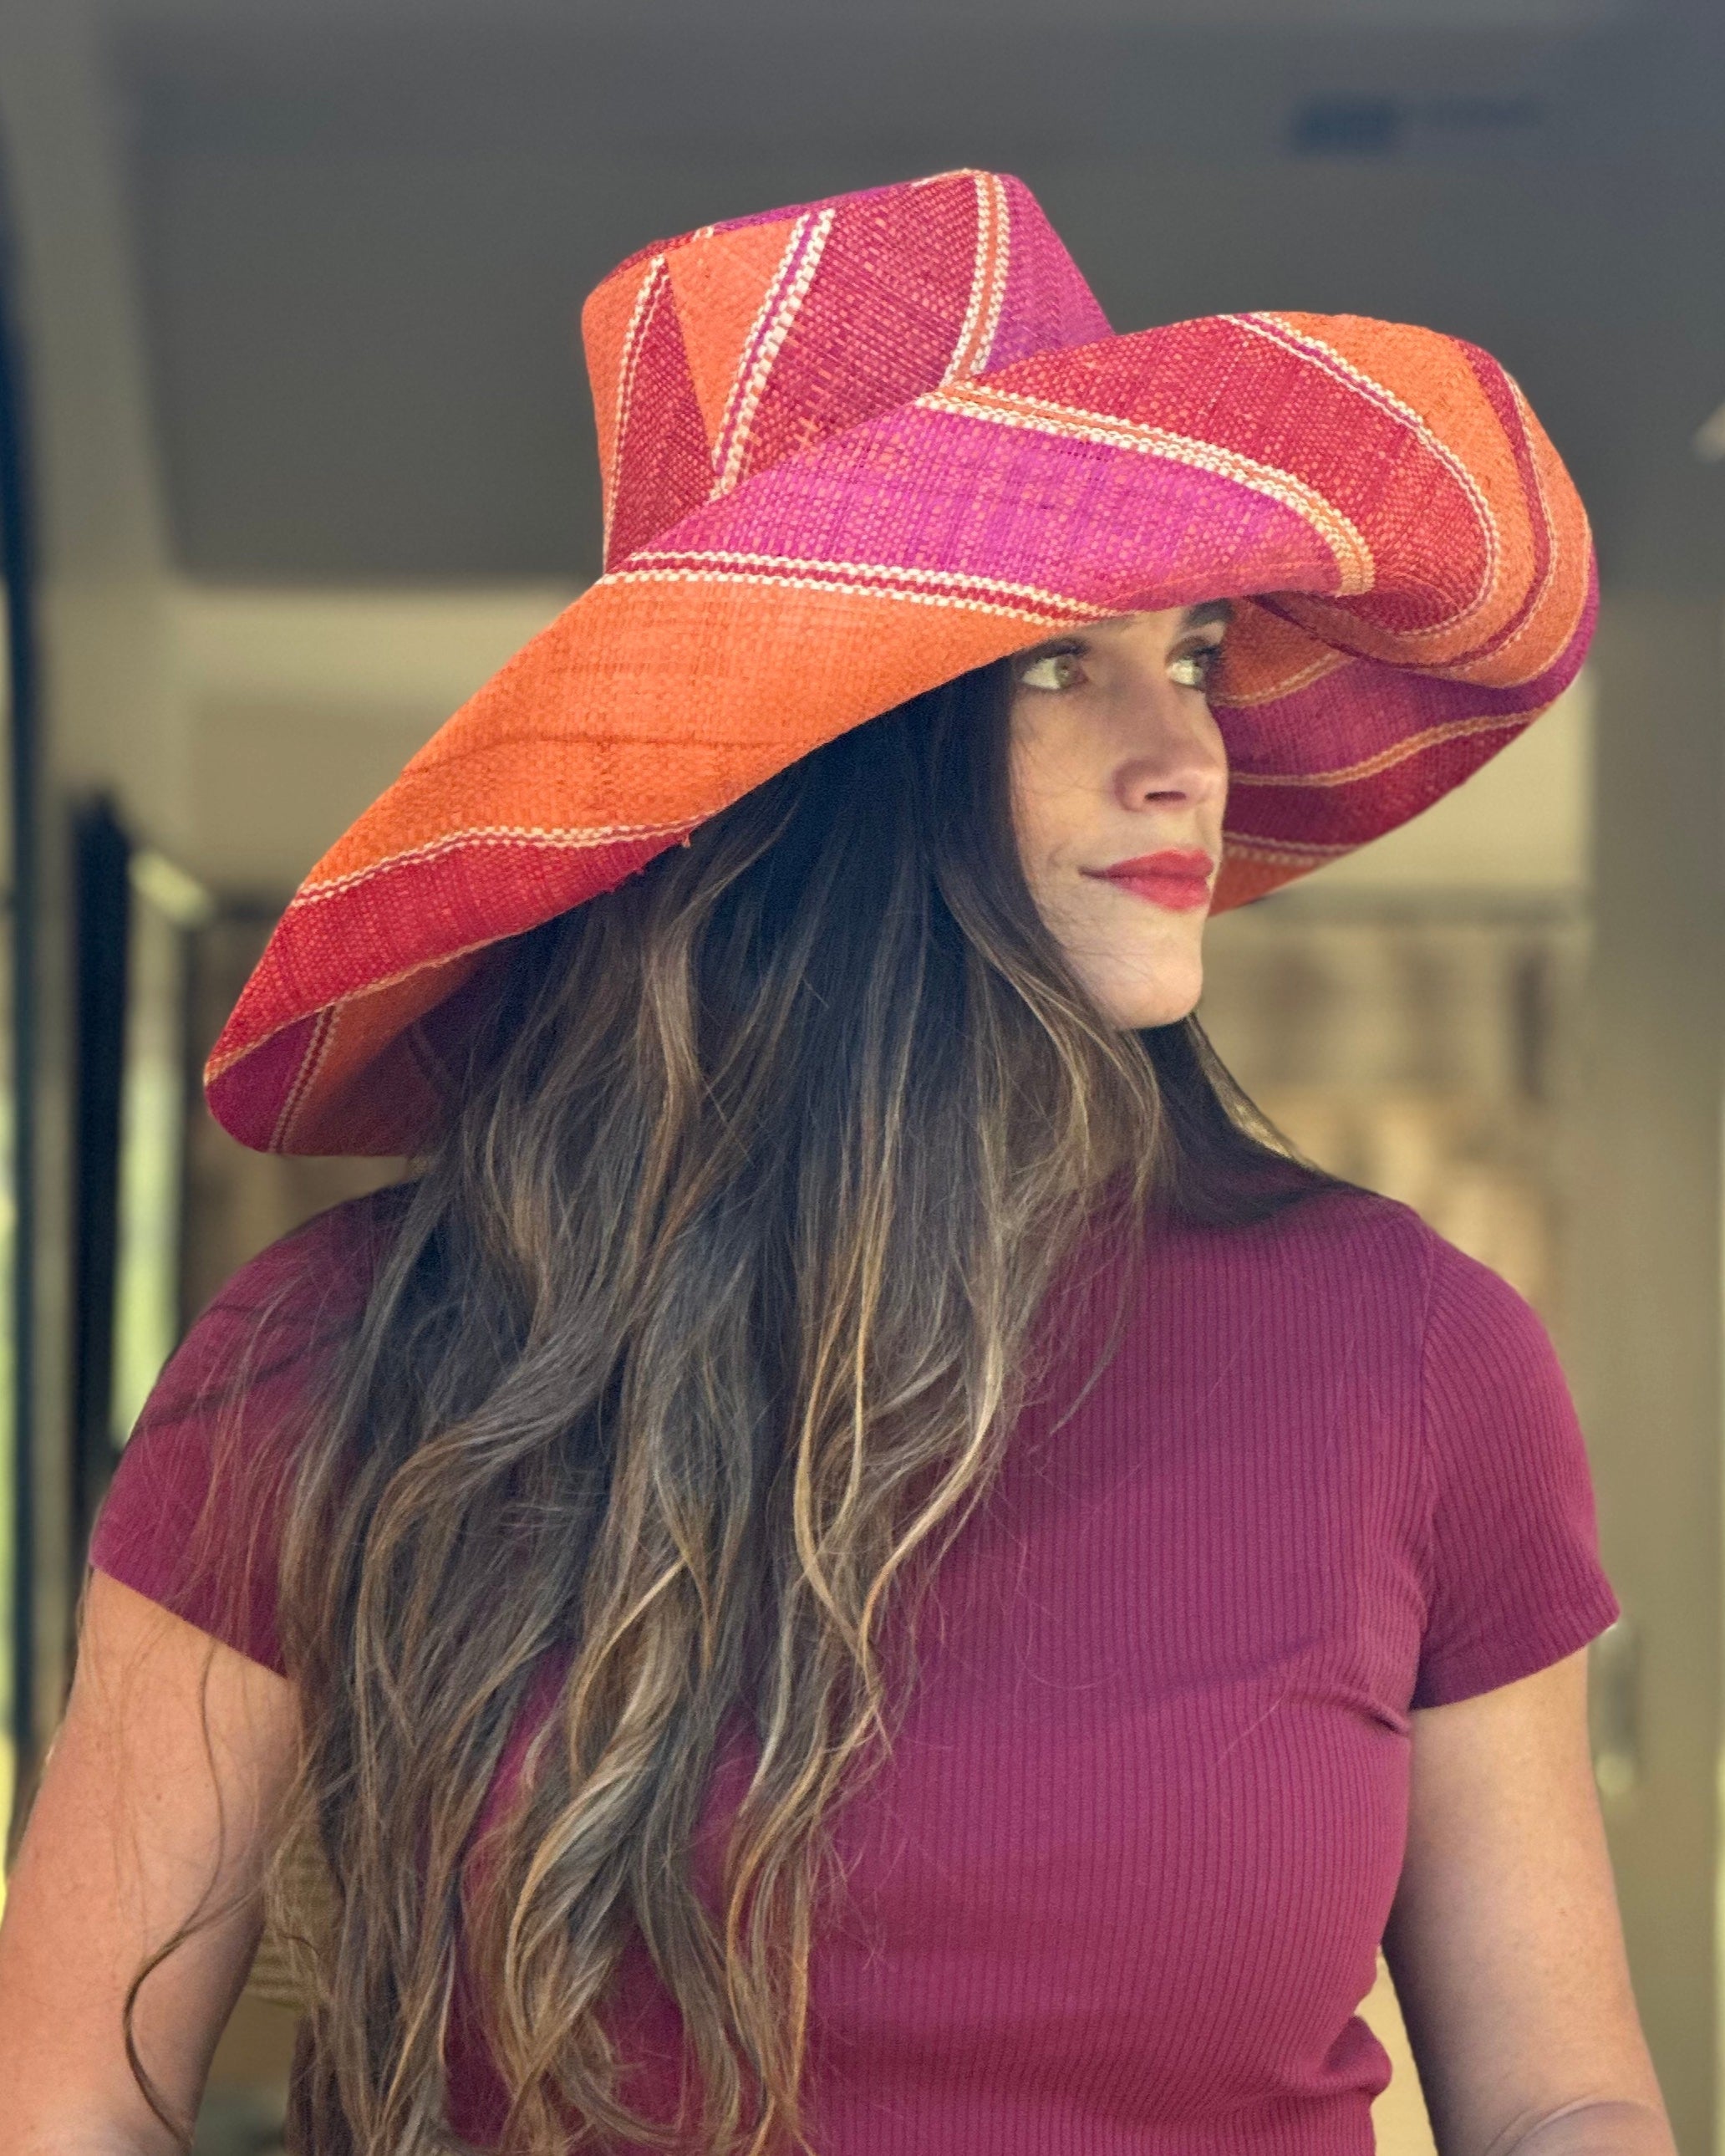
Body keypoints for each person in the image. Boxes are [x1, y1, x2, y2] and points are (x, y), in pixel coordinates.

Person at [0, 170, 1674, 2156]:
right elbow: (64, 2106)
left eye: (1199, 651)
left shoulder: (1416, 1350)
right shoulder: (345, 1354)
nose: (1186, 753)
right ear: (808, 759)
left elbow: (1566, 2097)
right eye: (1061, 663)